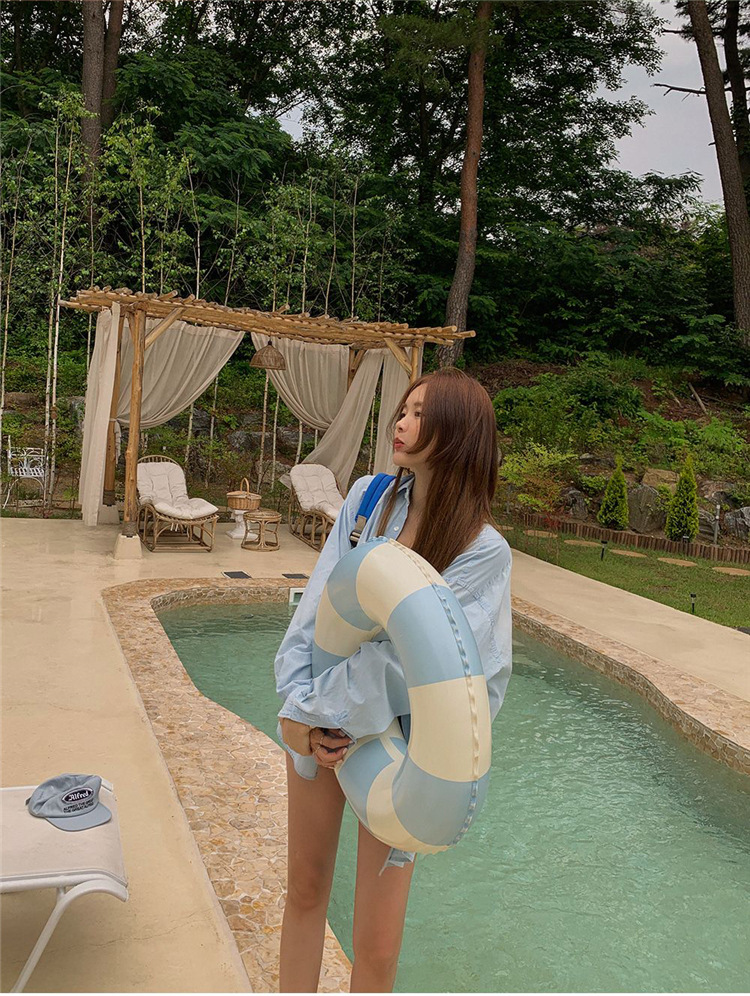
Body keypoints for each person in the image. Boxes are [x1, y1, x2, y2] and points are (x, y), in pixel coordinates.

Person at [275, 367, 513, 993]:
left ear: (457, 433)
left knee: (376, 947)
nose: (400, 424)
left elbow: (416, 666)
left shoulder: (481, 550)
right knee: (304, 890)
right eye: (403, 411)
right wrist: (296, 711)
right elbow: (315, 607)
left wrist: (313, 708)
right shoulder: (367, 500)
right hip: (319, 721)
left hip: (398, 745)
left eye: (419, 414)